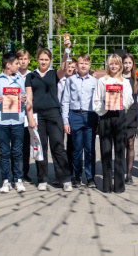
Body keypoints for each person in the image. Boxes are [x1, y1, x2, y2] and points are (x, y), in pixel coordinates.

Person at [25, 48, 73, 192]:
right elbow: (28, 99)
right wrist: (30, 118)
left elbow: (64, 66)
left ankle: (65, 179)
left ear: (50, 60)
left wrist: (66, 51)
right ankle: (42, 179)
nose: (44, 62)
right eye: (41, 59)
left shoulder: (54, 74)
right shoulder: (31, 76)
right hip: (38, 115)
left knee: (58, 148)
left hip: (54, 114)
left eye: (46, 59)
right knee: (41, 148)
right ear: (37, 59)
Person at [93, 54, 133, 193]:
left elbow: (130, 100)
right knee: (106, 151)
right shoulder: (101, 81)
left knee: (120, 151)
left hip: (120, 117)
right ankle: (107, 185)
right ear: (108, 65)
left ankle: (119, 185)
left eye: (116, 64)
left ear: (120, 65)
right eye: (111, 63)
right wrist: (105, 106)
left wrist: (121, 102)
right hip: (105, 117)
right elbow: (96, 101)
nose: (114, 66)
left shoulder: (125, 82)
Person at [0, 53, 26, 193]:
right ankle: (6, 180)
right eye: (16, 63)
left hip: (17, 120)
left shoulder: (20, 80)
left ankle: (18, 180)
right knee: (4, 152)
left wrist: (23, 99)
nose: (19, 65)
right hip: (2, 121)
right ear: (8, 65)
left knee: (17, 152)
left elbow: (26, 97)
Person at [62, 54, 98, 188]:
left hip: (90, 116)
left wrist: (98, 121)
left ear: (89, 66)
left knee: (89, 149)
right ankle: (76, 176)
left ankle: (90, 177)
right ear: (77, 65)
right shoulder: (70, 80)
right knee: (76, 149)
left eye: (86, 63)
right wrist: (65, 121)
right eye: (81, 63)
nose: (84, 65)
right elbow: (65, 101)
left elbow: (98, 101)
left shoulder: (95, 81)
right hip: (75, 116)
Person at [57, 57, 77, 184]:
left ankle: (71, 172)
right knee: (59, 145)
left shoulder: (76, 81)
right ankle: (60, 174)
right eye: (68, 66)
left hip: (73, 115)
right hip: (58, 115)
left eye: (73, 67)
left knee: (72, 145)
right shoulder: (59, 80)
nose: (70, 69)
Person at [122, 53, 138, 184]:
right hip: (119, 115)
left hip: (132, 115)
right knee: (120, 145)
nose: (127, 65)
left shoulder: (137, 80)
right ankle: (120, 171)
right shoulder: (117, 78)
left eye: (130, 63)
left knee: (130, 144)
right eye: (125, 62)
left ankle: (129, 174)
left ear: (133, 64)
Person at [16, 49, 32, 183]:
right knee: (16, 146)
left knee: (26, 145)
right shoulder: (12, 75)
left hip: (28, 115)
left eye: (25, 59)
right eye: (20, 59)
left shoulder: (33, 76)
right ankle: (16, 173)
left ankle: (24, 172)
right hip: (14, 115)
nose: (23, 61)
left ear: (29, 60)